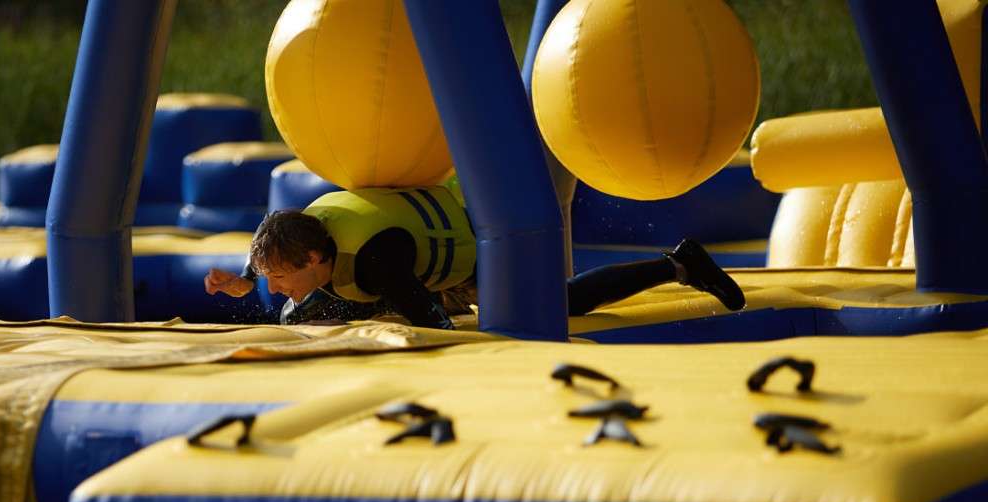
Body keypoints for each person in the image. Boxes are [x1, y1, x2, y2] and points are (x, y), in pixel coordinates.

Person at [204, 187, 745, 329]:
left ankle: (680, 264)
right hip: (392, 263)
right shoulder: (297, 239)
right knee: (297, 312)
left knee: (561, 303)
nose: (273, 283)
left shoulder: (375, 262)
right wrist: (244, 281)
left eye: (278, 277)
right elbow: (272, 250)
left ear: (316, 258)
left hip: (468, 258)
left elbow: (435, 327)